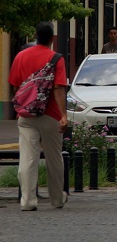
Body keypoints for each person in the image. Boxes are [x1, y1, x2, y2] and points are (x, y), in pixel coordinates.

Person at [8, 22, 67, 211]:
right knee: (54, 157)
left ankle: (27, 201)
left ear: (35, 36)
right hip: (51, 115)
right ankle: (57, 199)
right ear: (51, 38)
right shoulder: (56, 58)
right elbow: (58, 88)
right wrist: (64, 115)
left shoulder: (20, 56)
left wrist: (21, 107)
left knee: (27, 158)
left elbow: (16, 86)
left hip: (26, 115)